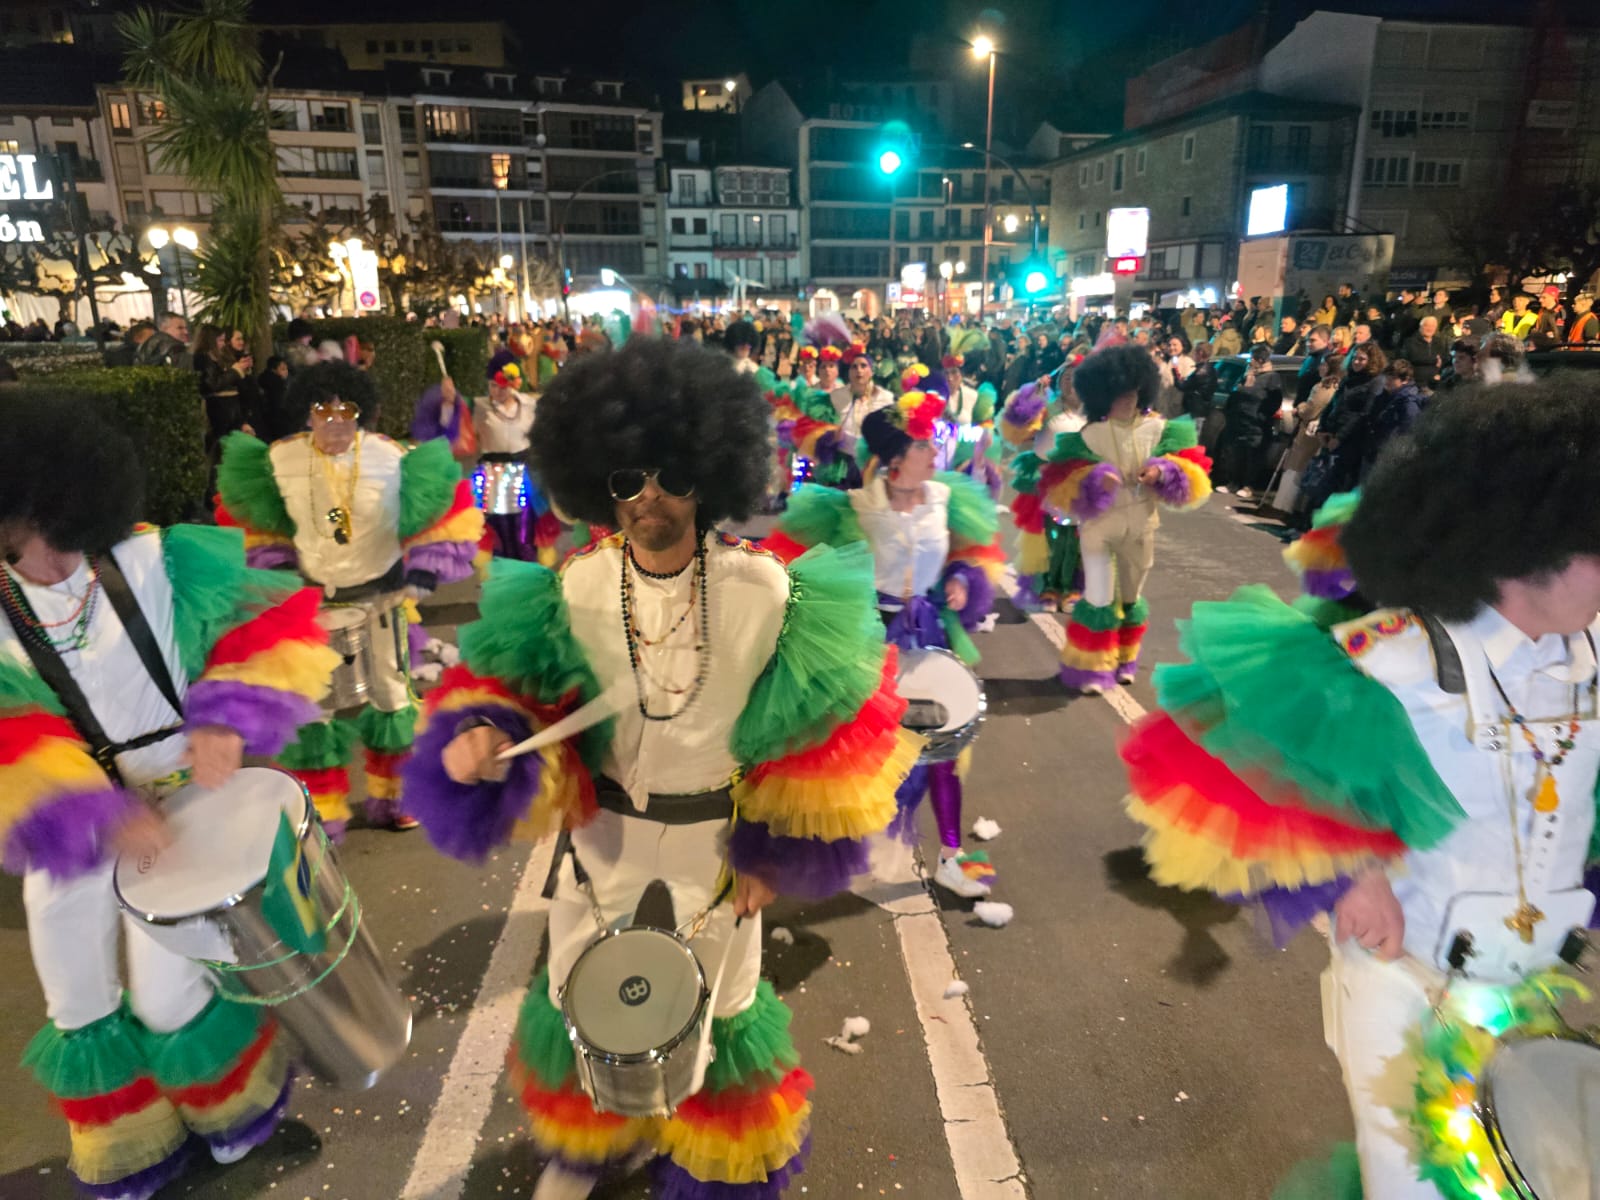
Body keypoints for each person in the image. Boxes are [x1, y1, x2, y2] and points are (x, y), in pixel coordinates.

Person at [401, 336, 912, 1200]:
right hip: (603, 837)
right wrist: (481, 736)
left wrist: (771, 853)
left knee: (722, 1009)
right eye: (626, 478)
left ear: (707, 472)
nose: (647, 499)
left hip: (716, 842)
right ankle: (588, 1142)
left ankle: (709, 1165)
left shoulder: (769, 592)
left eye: (670, 475)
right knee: (579, 992)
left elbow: (820, 738)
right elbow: (517, 695)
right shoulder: (576, 587)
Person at [1120, 377, 1600, 1199]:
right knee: (1421, 1188)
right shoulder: (1396, 656)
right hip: (1409, 987)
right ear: (1535, 545)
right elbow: (1255, 756)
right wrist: (1352, 872)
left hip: (1534, 989)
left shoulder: (1588, 654)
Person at [1, 398, 338, 1200]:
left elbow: (266, 623)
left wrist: (225, 712)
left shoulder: (160, 558)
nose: (40, 564)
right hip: (74, 831)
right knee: (78, 996)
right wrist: (96, 813)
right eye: (12, 548)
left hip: (187, 807)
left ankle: (227, 1112)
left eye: (47, 537)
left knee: (167, 994)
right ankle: (132, 1142)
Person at [214, 362, 483, 839]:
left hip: (381, 598)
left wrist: (423, 569)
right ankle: (322, 809)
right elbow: (258, 527)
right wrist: (277, 575)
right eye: (324, 410)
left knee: (392, 697)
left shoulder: (391, 455)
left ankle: (395, 797)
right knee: (315, 709)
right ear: (307, 413)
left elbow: (445, 507)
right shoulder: (278, 460)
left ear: (362, 413)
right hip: (311, 604)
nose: (336, 422)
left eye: (347, 411)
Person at [766, 391, 1003, 897]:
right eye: (924, 446)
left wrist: (960, 578)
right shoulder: (856, 508)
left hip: (930, 637)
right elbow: (809, 571)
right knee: (861, 750)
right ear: (897, 459)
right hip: (872, 642)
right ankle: (847, 846)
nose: (935, 453)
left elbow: (966, 553)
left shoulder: (944, 498)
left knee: (941, 746)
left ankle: (951, 856)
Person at [1013, 345, 1213, 693]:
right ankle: (1094, 668)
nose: (1128, 402)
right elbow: (1062, 482)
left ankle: (1125, 658)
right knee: (1100, 595)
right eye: (1121, 396)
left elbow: (1191, 474)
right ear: (1104, 396)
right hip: (1098, 530)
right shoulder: (1089, 436)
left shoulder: (1159, 430)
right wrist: (1094, 480)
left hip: (1141, 527)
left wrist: (1162, 470)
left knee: (1132, 597)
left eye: (1134, 394)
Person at [1213, 345, 1283, 497]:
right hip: (1239, 420)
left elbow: (1273, 401)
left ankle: (1248, 486)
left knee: (1252, 456)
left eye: (1253, 358)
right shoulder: (1248, 374)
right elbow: (1236, 391)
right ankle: (1233, 482)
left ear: (1260, 360)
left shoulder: (1271, 377)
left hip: (1255, 423)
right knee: (1235, 454)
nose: (1250, 361)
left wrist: (1260, 415)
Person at [1274, 357, 1340, 517]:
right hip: (1316, 433)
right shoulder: (1336, 386)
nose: (1320, 367)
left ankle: (1287, 506)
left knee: (1297, 467)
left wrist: (1300, 408)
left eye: (1324, 364)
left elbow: (1311, 408)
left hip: (1308, 434)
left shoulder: (1324, 387)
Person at [1178, 342, 1221, 452]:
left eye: (1195, 351)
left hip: (1195, 410)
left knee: (1190, 442)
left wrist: (1175, 375)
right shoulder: (1210, 369)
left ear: (1200, 353)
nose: (1193, 354)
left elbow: (1184, 386)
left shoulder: (1202, 371)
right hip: (1199, 410)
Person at [1398, 316, 1448, 389]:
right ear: (1420, 327)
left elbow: (1444, 358)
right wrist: (1435, 360)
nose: (1430, 328)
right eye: (1426, 325)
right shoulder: (1410, 342)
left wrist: (1440, 373)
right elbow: (1414, 357)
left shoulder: (1439, 342)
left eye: (1433, 326)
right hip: (1416, 382)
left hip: (1436, 381)